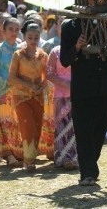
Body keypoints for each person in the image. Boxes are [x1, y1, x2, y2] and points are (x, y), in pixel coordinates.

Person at [60, 15, 107, 185]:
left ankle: (90, 166)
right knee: (83, 132)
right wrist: (77, 46)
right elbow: (65, 60)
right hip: (82, 88)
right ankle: (88, 172)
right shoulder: (70, 26)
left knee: (99, 132)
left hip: (103, 86)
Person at [9, 20, 48, 171]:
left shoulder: (43, 55)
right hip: (21, 96)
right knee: (27, 126)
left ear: (40, 37)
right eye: (30, 37)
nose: (33, 41)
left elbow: (46, 76)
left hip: (38, 96)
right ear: (24, 37)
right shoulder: (18, 55)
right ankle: (28, 160)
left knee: (37, 127)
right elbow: (11, 78)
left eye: (36, 37)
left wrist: (41, 86)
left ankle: (31, 157)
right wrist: (29, 85)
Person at [0, 17, 23, 166]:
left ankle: (19, 152)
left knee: (17, 123)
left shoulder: (22, 47)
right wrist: (5, 81)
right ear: (3, 29)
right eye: (10, 29)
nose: (14, 32)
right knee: (4, 123)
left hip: (18, 92)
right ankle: (8, 154)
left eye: (16, 29)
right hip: (2, 92)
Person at [46, 30, 78, 169]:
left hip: (77, 94)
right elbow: (49, 74)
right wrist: (64, 83)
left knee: (75, 126)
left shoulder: (79, 51)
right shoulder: (55, 51)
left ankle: (75, 158)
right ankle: (61, 157)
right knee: (61, 126)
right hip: (60, 95)